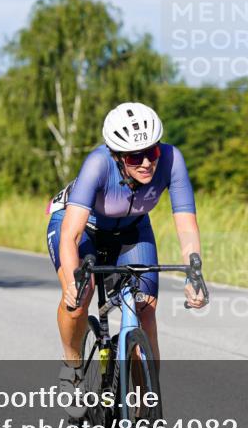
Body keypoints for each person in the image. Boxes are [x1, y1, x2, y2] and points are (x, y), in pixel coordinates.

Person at [47, 102, 206, 392]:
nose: (146, 163)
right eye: (135, 157)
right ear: (117, 156)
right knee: (79, 297)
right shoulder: (98, 163)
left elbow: (186, 224)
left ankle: (146, 405)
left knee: (145, 310)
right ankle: (71, 368)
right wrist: (73, 282)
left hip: (132, 228)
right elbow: (70, 235)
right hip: (83, 228)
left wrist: (194, 275)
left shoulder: (172, 159)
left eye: (151, 152)